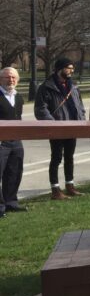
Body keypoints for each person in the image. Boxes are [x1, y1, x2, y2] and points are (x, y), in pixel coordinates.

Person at [35, 58, 87, 200]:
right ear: (60, 69)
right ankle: (55, 190)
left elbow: (80, 106)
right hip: (56, 129)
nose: (71, 70)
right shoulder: (46, 87)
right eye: (68, 68)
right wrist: (53, 125)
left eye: (72, 68)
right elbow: (40, 109)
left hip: (72, 127)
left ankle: (70, 186)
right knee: (56, 158)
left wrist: (81, 120)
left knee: (69, 157)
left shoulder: (73, 86)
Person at [0, 67, 26, 217]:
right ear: (0, 79)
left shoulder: (19, 97)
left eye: (13, 77)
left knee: (14, 172)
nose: (10, 80)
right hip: (1, 141)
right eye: (7, 77)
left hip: (16, 141)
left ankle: (11, 202)